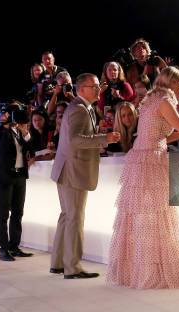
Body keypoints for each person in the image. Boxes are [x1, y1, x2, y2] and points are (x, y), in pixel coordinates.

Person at [107, 67, 179, 289]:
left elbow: (168, 135)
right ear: (170, 82)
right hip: (151, 161)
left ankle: (137, 272)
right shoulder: (164, 100)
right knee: (155, 217)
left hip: (143, 159)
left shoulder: (152, 99)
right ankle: (152, 273)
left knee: (141, 218)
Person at [50, 73, 121, 279]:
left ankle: (58, 263)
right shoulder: (79, 109)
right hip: (74, 170)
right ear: (81, 89)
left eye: (98, 86)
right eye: (94, 86)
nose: (99, 89)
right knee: (74, 218)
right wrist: (104, 138)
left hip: (67, 169)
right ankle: (72, 267)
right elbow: (75, 141)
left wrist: (100, 136)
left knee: (66, 217)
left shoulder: (82, 108)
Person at [0, 106, 34, 262]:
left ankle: (14, 246)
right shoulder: (0, 131)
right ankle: (3, 249)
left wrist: (25, 132)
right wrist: (7, 125)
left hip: (20, 175)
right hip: (4, 177)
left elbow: (31, 148)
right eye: (11, 114)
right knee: (3, 213)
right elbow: (1, 149)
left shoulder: (21, 132)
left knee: (18, 212)